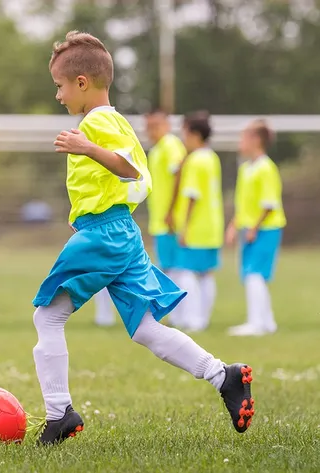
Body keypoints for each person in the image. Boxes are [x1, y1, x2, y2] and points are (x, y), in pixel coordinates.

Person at [32, 31, 254, 446]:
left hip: (107, 236)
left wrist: (85, 147)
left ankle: (59, 412)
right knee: (146, 328)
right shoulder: (108, 122)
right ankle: (224, 375)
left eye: (60, 87)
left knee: (47, 316)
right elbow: (124, 183)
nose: (59, 96)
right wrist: (85, 215)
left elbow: (130, 169)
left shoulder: (98, 122)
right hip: (118, 233)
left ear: (82, 82)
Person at [226, 119, 286, 336]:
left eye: (244, 137)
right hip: (250, 229)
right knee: (250, 274)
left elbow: (270, 203)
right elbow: (243, 203)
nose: (240, 142)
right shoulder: (246, 169)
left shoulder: (266, 168)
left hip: (265, 230)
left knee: (254, 274)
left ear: (257, 140)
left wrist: (254, 227)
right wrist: (234, 225)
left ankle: (256, 323)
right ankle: (267, 321)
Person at [174, 111, 224, 332]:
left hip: (197, 225)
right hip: (213, 225)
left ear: (194, 133)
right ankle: (203, 318)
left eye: (184, 132)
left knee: (186, 272)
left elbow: (192, 196)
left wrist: (184, 227)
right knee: (205, 273)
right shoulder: (212, 157)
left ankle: (193, 319)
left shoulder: (195, 160)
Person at [145, 109, 186, 328]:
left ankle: (182, 314)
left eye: (154, 125)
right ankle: (176, 314)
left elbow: (179, 174)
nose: (149, 130)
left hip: (170, 220)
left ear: (166, 125)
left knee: (174, 267)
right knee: (167, 265)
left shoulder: (170, 145)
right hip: (160, 219)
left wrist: (171, 211)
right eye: (147, 125)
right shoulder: (157, 149)